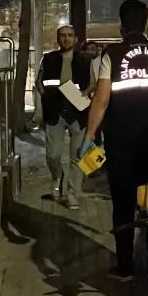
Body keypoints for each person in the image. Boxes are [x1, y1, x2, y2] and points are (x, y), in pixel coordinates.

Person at [81, 0, 148, 281]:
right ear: (145, 23)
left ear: (121, 26)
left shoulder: (112, 54)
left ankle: (125, 266)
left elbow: (101, 100)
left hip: (122, 143)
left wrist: (89, 136)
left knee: (124, 204)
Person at [35, 26, 92, 209]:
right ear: (58, 38)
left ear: (75, 39)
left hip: (78, 111)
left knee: (77, 157)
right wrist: (45, 98)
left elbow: (93, 83)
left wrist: (84, 95)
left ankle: (73, 194)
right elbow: (39, 81)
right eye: (62, 36)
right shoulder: (49, 59)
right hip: (55, 111)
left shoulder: (85, 60)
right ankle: (58, 178)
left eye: (70, 35)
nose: (66, 39)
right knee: (53, 154)